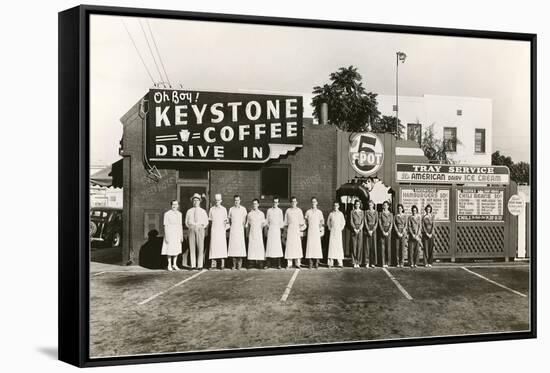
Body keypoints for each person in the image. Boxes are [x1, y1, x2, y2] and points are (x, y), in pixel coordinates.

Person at [184, 193, 209, 270]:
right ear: (192, 202)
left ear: (199, 201)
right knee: (192, 247)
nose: (195, 202)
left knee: (200, 248)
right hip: (191, 228)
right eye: (194, 200)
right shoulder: (189, 211)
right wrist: (191, 227)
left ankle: (200, 265)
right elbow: (186, 222)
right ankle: (193, 265)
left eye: (197, 200)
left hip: (200, 229)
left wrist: (201, 227)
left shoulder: (203, 211)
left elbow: (206, 222)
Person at [161, 200, 183, 271]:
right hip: (170, 233)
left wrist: (181, 236)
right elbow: (165, 225)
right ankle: (169, 265)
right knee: (169, 249)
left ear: (178, 205)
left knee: (176, 249)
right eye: (173, 204)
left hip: (177, 233)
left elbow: (180, 225)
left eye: (176, 204)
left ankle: (175, 264)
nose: (174, 206)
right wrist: (167, 235)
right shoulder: (167, 214)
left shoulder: (180, 214)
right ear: (171, 205)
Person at [284, 196, 305, 269]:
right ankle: (289, 264)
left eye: (295, 201)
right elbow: (285, 223)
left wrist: (300, 231)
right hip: (290, 231)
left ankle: (297, 263)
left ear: (297, 202)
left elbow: (302, 223)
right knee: (290, 246)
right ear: (290, 203)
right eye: (292, 201)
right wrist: (285, 233)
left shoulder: (299, 211)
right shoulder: (288, 211)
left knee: (297, 246)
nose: (293, 203)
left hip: (296, 231)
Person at [208, 194, 229, 269]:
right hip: (214, 230)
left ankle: (222, 264)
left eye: (218, 200)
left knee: (221, 247)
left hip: (221, 231)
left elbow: (225, 221)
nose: (217, 202)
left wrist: (223, 229)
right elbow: (210, 220)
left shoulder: (224, 209)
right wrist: (213, 228)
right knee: (214, 247)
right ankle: (213, 264)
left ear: (221, 201)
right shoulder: (211, 209)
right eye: (216, 200)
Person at [228, 195, 247, 270]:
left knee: (240, 247)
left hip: (240, 230)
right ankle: (233, 264)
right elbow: (229, 220)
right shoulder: (231, 209)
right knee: (233, 247)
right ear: (234, 201)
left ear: (240, 200)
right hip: (233, 230)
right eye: (235, 200)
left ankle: (239, 265)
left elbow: (244, 220)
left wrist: (241, 227)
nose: (236, 202)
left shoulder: (243, 209)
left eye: (238, 200)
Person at [305, 197, 324, 269]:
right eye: (312, 202)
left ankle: (316, 262)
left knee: (317, 246)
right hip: (310, 231)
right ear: (311, 203)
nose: (313, 203)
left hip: (316, 231)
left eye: (315, 202)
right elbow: (305, 221)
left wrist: (319, 227)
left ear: (317, 203)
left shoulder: (319, 212)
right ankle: (310, 262)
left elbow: (322, 221)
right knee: (310, 246)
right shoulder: (308, 212)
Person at [246, 199, 266, 269]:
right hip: (252, 233)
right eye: (253, 204)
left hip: (259, 233)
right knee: (252, 247)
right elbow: (247, 225)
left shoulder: (261, 214)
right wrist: (247, 234)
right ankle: (251, 263)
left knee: (259, 247)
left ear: (258, 204)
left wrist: (260, 230)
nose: (254, 205)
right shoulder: (249, 214)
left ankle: (260, 262)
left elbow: (263, 224)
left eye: (256, 204)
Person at [265, 197, 284, 269]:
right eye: (274, 202)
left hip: (277, 230)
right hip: (270, 230)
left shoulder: (280, 211)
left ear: (278, 203)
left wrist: (280, 231)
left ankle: (278, 264)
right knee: (270, 247)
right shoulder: (269, 210)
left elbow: (281, 222)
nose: (275, 203)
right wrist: (268, 228)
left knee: (277, 247)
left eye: (276, 202)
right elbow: (267, 221)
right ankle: (268, 264)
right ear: (272, 202)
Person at [327, 201, 346, 268]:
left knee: (339, 247)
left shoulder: (340, 214)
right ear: (333, 206)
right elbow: (328, 222)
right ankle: (330, 263)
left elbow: (343, 222)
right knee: (332, 247)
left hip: (338, 232)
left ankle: (340, 263)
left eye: (336, 205)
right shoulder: (331, 214)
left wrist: (340, 228)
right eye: (334, 205)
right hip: (332, 232)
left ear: (338, 206)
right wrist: (330, 228)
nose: (335, 207)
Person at [349, 199, 364, 268]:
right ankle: (354, 261)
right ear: (354, 205)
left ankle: (358, 261)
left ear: (360, 205)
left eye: (358, 204)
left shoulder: (362, 212)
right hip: (354, 229)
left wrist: (360, 228)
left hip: (360, 229)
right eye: (356, 204)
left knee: (359, 246)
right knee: (354, 246)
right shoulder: (352, 212)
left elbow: (363, 221)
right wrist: (354, 228)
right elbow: (351, 221)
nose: (357, 205)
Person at [378, 201, 393, 268]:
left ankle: (387, 262)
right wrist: (382, 231)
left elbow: (391, 223)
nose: (385, 206)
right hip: (382, 230)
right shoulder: (380, 214)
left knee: (388, 246)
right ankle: (383, 262)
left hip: (388, 230)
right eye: (384, 205)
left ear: (388, 206)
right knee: (382, 247)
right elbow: (380, 223)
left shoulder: (391, 214)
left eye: (386, 205)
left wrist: (388, 231)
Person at [364, 200, 378, 267]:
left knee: (373, 246)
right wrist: (368, 230)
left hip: (374, 230)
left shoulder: (376, 212)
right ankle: (367, 262)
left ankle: (373, 262)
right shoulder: (366, 212)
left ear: (373, 205)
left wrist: (373, 230)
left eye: (371, 205)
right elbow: (365, 221)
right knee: (367, 246)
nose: (370, 206)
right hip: (368, 229)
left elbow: (376, 222)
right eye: (369, 205)